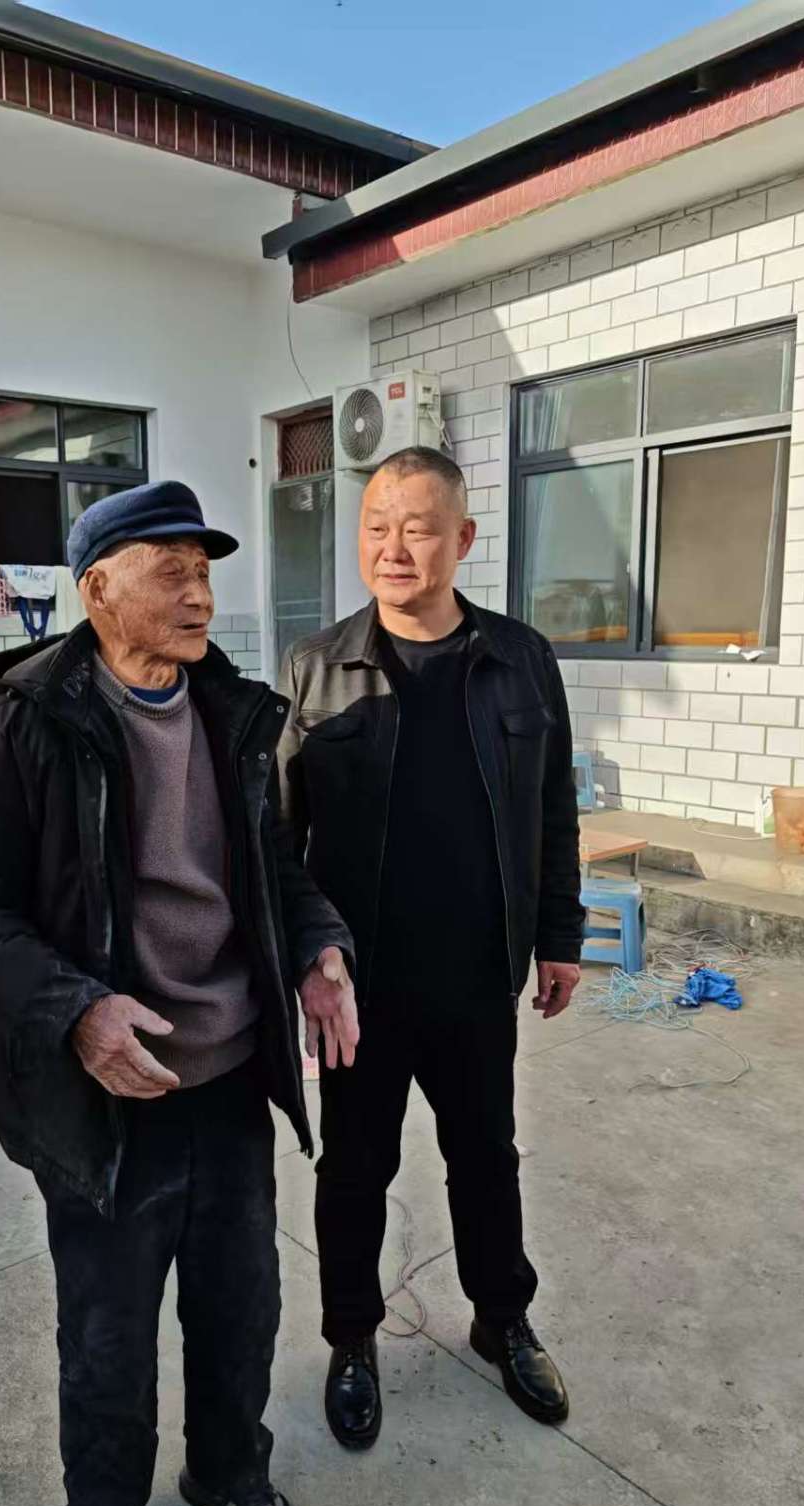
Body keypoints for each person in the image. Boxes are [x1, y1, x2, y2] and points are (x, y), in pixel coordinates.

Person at [0, 481, 358, 1506]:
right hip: (105, 1093)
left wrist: (318, 948)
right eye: (171, 571)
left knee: (241, 1305)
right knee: (109, 1329)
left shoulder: (236, 715)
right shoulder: (18, 729)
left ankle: (229, 1470)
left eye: (205, 571)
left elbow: (274, 870)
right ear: (99, 589)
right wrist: (77, 1008)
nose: (199, 592)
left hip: (232, 1074)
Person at [277, 446, 583, 1452]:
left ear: (463, 538)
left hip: (477, 973)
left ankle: (503, 1318)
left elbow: (553, 809)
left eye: (417, 527)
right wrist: (305, 962)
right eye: (376, 525)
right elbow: (278, 837)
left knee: (486, 1157)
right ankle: (352, 1338)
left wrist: (560, 935)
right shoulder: (316, 666)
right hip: (358, 987)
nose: (393, 547)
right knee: (353, 1170)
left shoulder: (521, 659)